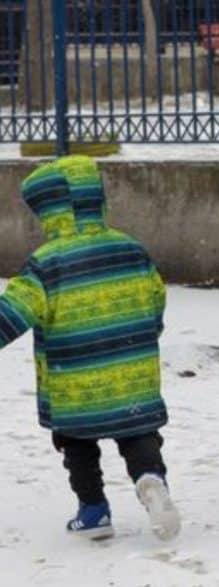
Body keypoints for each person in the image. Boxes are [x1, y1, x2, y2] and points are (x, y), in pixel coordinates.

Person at [0, 156, 180, 541]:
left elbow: (13, 312)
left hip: (75, 383)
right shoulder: (131, 249)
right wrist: (146, 332)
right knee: (138, 434)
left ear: (49, 211)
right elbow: (155, 297)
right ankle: (151, 480)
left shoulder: (47, 264)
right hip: (132, 373)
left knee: (78, 445)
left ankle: (94, 510)